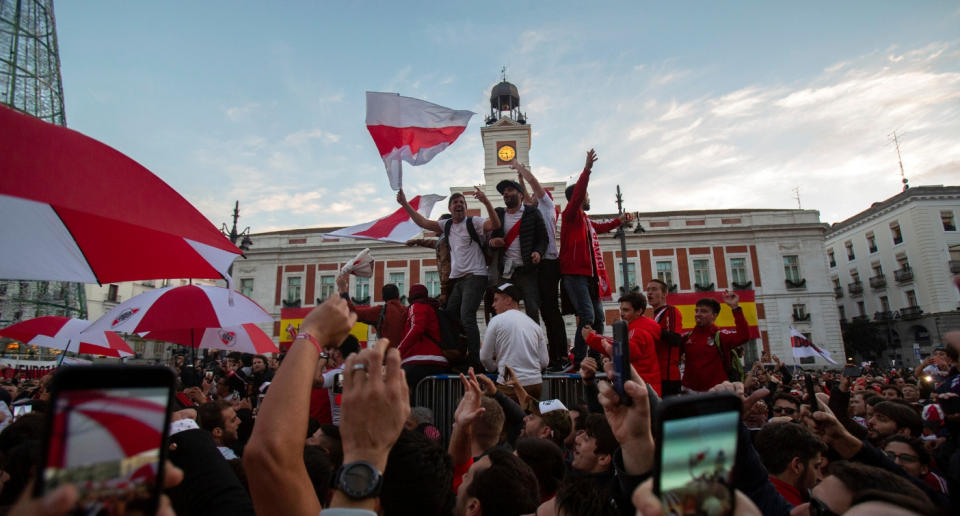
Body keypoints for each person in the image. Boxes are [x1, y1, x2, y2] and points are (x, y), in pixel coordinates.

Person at [398, 187, 501, 364]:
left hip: (476, 275)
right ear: (450, 209)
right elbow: (423, 223)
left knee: (467, 315)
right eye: (455, 202)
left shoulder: (473, 222)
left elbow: (495, 225)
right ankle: (457, 351)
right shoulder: (446, 226)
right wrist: (405, 204)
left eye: (462, 202)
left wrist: (485, 201)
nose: (459, 204)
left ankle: (475, 361)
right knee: (448, 314)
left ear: (466, 207)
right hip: (459, 279)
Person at [560, 149, 630, 368]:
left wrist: (621, 220)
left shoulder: (587, 222)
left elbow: (603, 226)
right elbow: (580, 191)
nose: (588, 198)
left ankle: (596, 355)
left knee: (599, 317)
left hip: (591, 277)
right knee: (587, 316)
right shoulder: (571, 215)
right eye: (586, 196)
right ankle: (580, 359)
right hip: (575, 273)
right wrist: (587, 169)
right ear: (578, 198)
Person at [510, 160, 569, 372]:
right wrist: (519, 181)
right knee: (546, 310)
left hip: (549, 262)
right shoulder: (535, 211)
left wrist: (520, 169)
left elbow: (534, 184)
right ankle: (554, 355)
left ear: (543, 198)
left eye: (535, 196)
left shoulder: (547, 206)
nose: (531, 197)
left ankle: (561, 355)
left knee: (551, 311)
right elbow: (527, 196)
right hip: (540, 263)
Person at [488, 178, 548, 323]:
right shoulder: (499, 214)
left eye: (510, 190)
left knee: (532, 309)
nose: (506, 193)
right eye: (504, 192)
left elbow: (543, 239)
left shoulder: (532, 212)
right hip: (505, 272)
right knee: (499, 308)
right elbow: (489, 239)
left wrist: (538, 252)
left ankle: (533, 343)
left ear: (521, 194)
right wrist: (492, 242)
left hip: (527, 271)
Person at [581, 292, 662, 395]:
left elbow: (626, 350)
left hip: (641, 388)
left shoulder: (639, 331)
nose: (622, 313)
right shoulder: (638, 328)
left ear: (639, 311)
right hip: (642, 386)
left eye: (626, 310)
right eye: (621, 309)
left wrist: (592, 338)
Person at [480, 283, 549, 400]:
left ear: (508, 300)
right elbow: (544, 362)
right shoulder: (534, 325)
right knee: (530, 418)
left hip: (510, 383)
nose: (493, 305)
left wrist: (494, 368)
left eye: (496, 300)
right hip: (535, 384)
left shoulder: (497, 320)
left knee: (498, 416)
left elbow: (484, 357)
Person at [680, 291, 750, 393]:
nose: (698, 314)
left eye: (703, 311)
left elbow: (744, 336)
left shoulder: (720, 335)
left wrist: (735, 308)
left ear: (714, 315)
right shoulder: (687, 337)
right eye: (697, 311)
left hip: (717, 391)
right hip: (690, 392)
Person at [754, 422, 827, 506]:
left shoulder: (748, 496)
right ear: (796, 466)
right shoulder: (795, 509)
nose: (820, 477)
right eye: (816, 466)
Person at [397, 284, 449, 402]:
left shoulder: (417, 306)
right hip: (438, 362)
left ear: (411, 296)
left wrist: (398, 351)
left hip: (419, 361)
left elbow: (417, 328)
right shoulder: (433, 309)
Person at [337, 275, 406, 350]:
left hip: (388, 356)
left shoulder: (380, 311)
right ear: (398, 296)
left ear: (383, 297)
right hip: (407, 356)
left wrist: (343, 290)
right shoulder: (408, 310)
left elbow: (352, 313)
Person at [645, 278, 684, 396]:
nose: (649, 293)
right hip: (656, 374)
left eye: (654, 289)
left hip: (668, 375)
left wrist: (650, 328)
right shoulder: (654, 317)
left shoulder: (670, 311)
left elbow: (675, 339)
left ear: (664, 294)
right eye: (648, 290)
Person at [406, 213, 453, 305]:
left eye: (438, 223)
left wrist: (443, 292)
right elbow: (432, 243)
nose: (435, 225)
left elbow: (445, 265)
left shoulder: (445, 241)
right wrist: (416, 241)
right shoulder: (445, 239)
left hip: (450, 287)